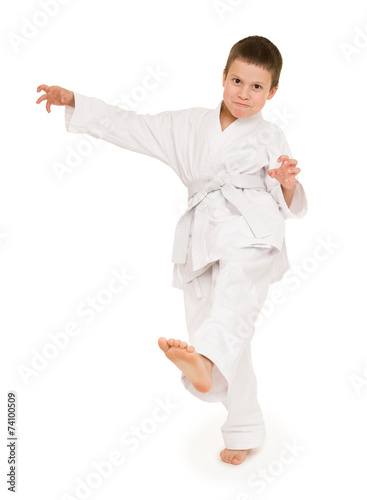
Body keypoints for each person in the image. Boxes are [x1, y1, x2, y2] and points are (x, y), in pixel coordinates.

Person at [36, 35, 307, 466]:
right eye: (237, 80)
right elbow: (132, 126)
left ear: (273, 92)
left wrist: (287, 182)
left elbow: (287, 197)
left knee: (234, 300)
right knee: (223, 332)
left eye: (257, 87)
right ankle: (242, 421)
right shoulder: (186, 125)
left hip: (251, 230)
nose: (244, 93)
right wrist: (76, 102)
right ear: (222, 77)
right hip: (200, 236)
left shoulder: (270, 134)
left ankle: (205, 360)